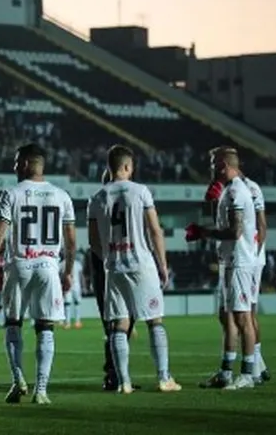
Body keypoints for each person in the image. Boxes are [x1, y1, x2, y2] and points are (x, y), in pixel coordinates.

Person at [0, 143, 76, 405]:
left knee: (13, 324)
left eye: (15, 162)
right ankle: (41, 390)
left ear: (24, 164)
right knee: (46, 328)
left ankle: (17, 379)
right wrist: (68, 272)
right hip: (48, 266)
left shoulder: (12, 193)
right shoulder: (62, 196)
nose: (13, 167)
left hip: (19, 266)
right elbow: (71, 242)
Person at [88, 145, 181, 394]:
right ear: (127, 166)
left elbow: (94, 242)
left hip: (114, 268)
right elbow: (155, 230)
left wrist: (108, 257)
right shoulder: (140, 192)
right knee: (154, 320)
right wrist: (162, 264)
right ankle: (164, 378)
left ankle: (124, 382)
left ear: (109, 167)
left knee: (119, 324)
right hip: (141, 263)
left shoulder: (97, 198)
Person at [188, 147, 259, 390]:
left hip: (239, 262)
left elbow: (236, 231)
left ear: (222, 166)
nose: (210, 169)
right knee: (227, 316)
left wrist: (204, 232)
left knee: (242, 317)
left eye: (212, 164)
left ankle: (248, 373)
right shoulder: (228, 190)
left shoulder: (235, 193)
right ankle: (226, 372)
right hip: (229, 262)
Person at [89, 169, 138, 391]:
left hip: (105, 264)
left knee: (115, 322)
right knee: (118, 323)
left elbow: (94, 241)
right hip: (118, 264)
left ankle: (115, 373)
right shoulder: (130, 199)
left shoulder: (98, 201)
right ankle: (114, 374)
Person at [242, 173, 271, 383]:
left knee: (246, 313)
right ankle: (258, 365)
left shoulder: (246, 189)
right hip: (247, 258)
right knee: (242, 313)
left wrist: (253, 255)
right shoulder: (253, 187)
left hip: (247, 259)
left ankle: (254, 368)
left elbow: (262, 226)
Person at [62, 253, 83, 329]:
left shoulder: (77, 264)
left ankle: (77, 321)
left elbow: (81, 276)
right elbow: (60, 274)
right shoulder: (63, 263)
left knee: (77, 303)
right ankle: (67, 322)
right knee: (67, 303)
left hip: (76, 286)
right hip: (67, 286)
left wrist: (83, 286)